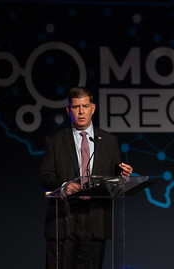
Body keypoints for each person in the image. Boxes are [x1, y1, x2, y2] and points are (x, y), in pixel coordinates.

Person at [40, 86, 133, 269]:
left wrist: (123, 176)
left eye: (85, 106)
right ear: (69, 110)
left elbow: (114, 181)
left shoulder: (108, 141)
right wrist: (64, 186)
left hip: (96, 221)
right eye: (76, 107)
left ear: (93, 108)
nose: (81, 112)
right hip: (64, 220)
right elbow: (45, 178)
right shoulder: (55, 141)